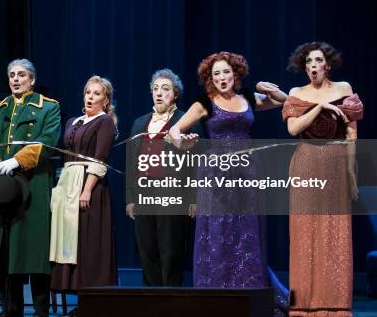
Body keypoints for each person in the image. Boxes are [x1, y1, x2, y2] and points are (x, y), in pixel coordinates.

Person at [168, 52, 288, 315]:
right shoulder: (205, 103)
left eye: (226, 72)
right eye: (216, 74)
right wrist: (180, 141)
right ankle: (215, 294)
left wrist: (264, 87)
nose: (222, 78)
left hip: (247, 172)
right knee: (218, 231)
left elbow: (285, 102)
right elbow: (174, 131)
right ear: (210, 79)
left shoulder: (247, 98)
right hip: (216, 174)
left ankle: (249, 291)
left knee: (246, 231)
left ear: (235, 73)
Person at [0, 59, 61, 317]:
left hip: (32, 185)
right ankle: (9, 308)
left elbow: (47, 141)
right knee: (4, 247)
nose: (15, 79)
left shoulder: (48, 107)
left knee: (34, 249)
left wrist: (17, 161)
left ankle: (40, 310)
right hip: (1, 187)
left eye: (21, 75)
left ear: (32, 80)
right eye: (11, 75)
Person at [283, 42, 362, 317]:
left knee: (335, 229)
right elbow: (294, 129)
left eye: (317, 61)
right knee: (304, 231)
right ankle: (302, 306)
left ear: (327, 65)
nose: (312, 65)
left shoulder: (344, 89)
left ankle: (336, 305)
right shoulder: (296, 93)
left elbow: (351, 134)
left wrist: (352, 173)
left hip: (336, 164)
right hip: (306, 162)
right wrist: (320, 106)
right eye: (308, 62)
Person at [125, 68, 202, 286]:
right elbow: (131, 162)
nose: (159, 93)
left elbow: (197, 165)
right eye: (155, 89)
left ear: (176, 94)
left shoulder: (186, 121)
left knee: (171, 252)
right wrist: (130, 198)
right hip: (144, 194)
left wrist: (194, 199)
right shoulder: (139, 123)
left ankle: (171, 303)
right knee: (147, 252)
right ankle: (151, 303)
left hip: (173, 193)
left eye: (165, 89)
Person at [50, 75, 118, 316]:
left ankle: (91, 300)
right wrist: (59, 189)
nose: (90, 97)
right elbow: (65, 156)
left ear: (106, 100)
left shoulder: (105, 123)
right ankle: (73, 295)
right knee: (69, 241)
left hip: (89, 185)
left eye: (97, 93)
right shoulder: (73, 121)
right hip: (67, 183)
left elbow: (100, 159)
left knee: (88, 242)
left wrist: (87, 190)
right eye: (88, 92)